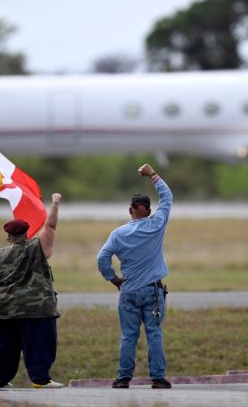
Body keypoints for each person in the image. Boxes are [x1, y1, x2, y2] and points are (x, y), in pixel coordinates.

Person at [97, 164, 173, 389]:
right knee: (154, 334)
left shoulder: (118, 234)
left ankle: (123, 378)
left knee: (128, 336)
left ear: (130, 209)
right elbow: (167, 198)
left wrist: (113, 279)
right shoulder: (157, 224)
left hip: (128, 291)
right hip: (153, 291)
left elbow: (102, 258)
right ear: (149, 211)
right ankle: (158, 378)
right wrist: (152, 175)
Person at [0, 193, 64, 389]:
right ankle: (40, 379)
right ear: (26, 234)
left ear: (8, 236)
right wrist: (55, 202)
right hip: (36, 309)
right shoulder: (37, 248)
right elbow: (50, 226)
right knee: (39, 345)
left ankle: (0, 381)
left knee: (2, 348)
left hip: (1, 310)